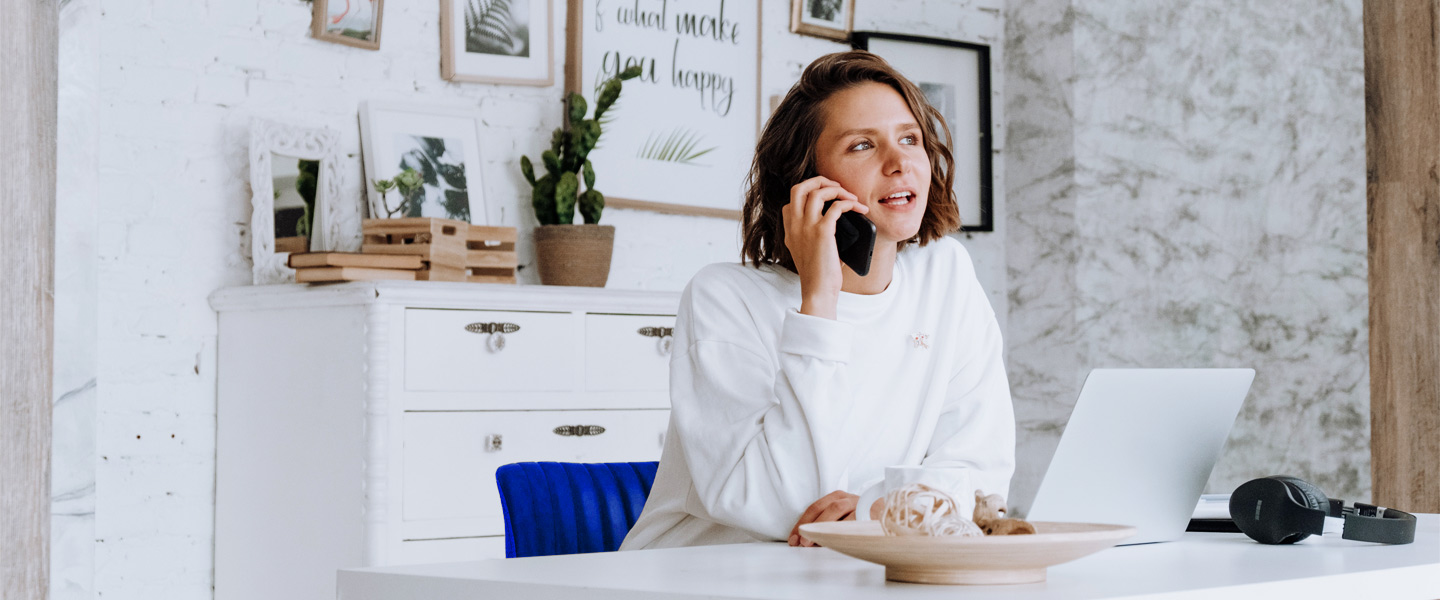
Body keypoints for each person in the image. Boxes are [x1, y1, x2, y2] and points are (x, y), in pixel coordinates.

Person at [619, 50, 1015, 550]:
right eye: (862, 146)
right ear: (806, 181)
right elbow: (784, 504)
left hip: (853, 568)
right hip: (703, 576)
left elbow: (981, 476)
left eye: (910, 139)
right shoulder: (723, 298)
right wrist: (819, 300)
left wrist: (874, 509)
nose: (899, 163)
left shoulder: (947, 276)